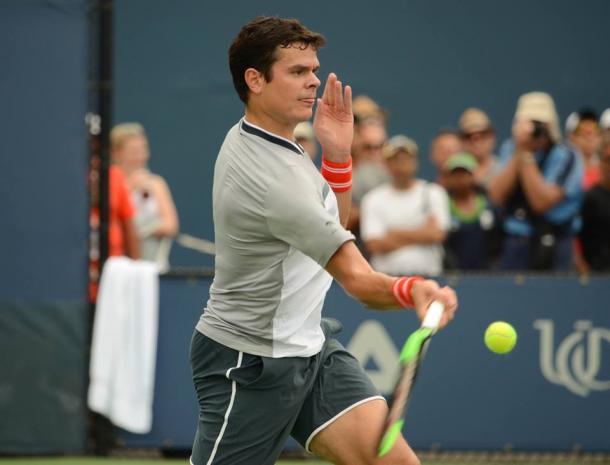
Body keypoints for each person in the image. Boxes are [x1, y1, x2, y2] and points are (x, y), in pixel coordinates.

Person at [189, 16, 457, 465]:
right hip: (250, 362)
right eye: (297, 72)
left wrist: (336, 155)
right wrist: (413, 289)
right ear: (254, 79)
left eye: (313, 69)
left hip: (310, 350)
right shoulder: (272, 178)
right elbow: (357, 281)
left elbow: (327, 223)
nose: (314, 81)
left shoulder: (269, 142)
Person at [488, 92, 583, 271]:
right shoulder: (511, 148)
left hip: (556, 240)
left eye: (539, 123)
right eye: (529, 123)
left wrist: (527, 157)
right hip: (515, 241)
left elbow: (541, 202)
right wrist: (521, 151)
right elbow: (496, 195)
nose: (535, 130)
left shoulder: (567, 155)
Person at [360, 135, 450, 277]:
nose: (400, 164)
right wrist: (423, 233)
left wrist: (394, 234)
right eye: (394, 160)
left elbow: (437, 234)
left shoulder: (434, 192)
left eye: (406, 159)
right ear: (386, 164)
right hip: (387, 281)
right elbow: (374, 244)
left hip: (429, 278)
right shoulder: (372, 199)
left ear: (415, 162)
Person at [112, 123, 179, 272]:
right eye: (134, 151)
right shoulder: (110, 183)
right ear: (116, 153)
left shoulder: (156, 183)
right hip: (120, 267)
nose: (140, 156)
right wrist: (129, 189)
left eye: (143, 149)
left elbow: (171, 225)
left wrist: (145, 230)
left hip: (153, 267)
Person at [443, 153, 499, 270]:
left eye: (465, 173)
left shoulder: (489, 207)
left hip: (487, 275)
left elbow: (498, 241)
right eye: (456, 174)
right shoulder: (442, 207)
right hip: (451, 275)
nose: (460, 178)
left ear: (473, 176)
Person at [577, 132, 610, 272]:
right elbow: (577, 238)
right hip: (597, 275)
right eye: (609, 160)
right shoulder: (590, 198)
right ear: (601, 163)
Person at [458, 108, 499, 187]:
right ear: (461, 141)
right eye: (468, 136)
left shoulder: (504, 170)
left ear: (492, 137)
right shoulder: (453, 172)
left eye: (483, 134)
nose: (476, 140)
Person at [567, 109, 602, 190]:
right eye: (583, 130)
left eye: (595, 129)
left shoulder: (607, 167)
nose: (590, 136)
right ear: (571, 137)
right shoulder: (564, 169)